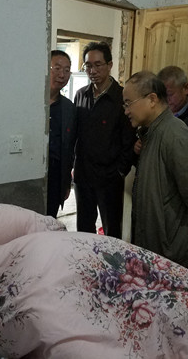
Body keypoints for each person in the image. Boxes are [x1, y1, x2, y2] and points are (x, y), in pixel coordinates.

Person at [123, 71, 188, 269]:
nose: (126, 111)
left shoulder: (176, 135)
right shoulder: (151, 133)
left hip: (172, 251)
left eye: (128, 103)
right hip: (156, 246)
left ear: (152, 99)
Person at [73, 42, 136, 238]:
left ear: (109, 65)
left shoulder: (122, 97)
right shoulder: (81, 95)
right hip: (83, 176)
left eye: (98, 65)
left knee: (112, 230)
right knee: (84, 229)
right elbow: (76, 135)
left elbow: (129, 139)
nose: (92, 71)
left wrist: (120, 171)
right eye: (88, 66)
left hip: (110, 178)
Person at [46, 50, 77, 218]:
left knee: (49, 220)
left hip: (56, 175)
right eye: (57, 68)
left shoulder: (68, 108)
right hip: (32, 172)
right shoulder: (31, 100)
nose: (62, 75)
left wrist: (66, 183)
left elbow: (70, 147)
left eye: (67, 70)